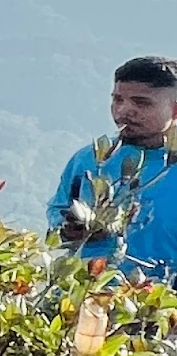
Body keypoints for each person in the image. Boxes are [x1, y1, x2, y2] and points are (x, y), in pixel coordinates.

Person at [50, 56, 177, 282]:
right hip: (85, 294)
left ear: (174, 110)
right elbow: (58, 209)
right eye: (118, 99)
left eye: (142, 103)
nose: (125, 110)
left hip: (159, 303)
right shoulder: (89, 159)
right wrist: (69, 229)